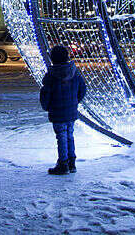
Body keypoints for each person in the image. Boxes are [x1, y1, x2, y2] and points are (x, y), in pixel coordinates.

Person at [39, 45, 87, 175]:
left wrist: (47, 106)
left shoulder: (51, 75)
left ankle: (63, 163)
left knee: (61, 137)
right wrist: (74, 102)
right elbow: (83, 89)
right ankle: (72, 163)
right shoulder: (74, 72)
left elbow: (45, 94)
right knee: (69, 136)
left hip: (57, 112)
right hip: (71, 111)